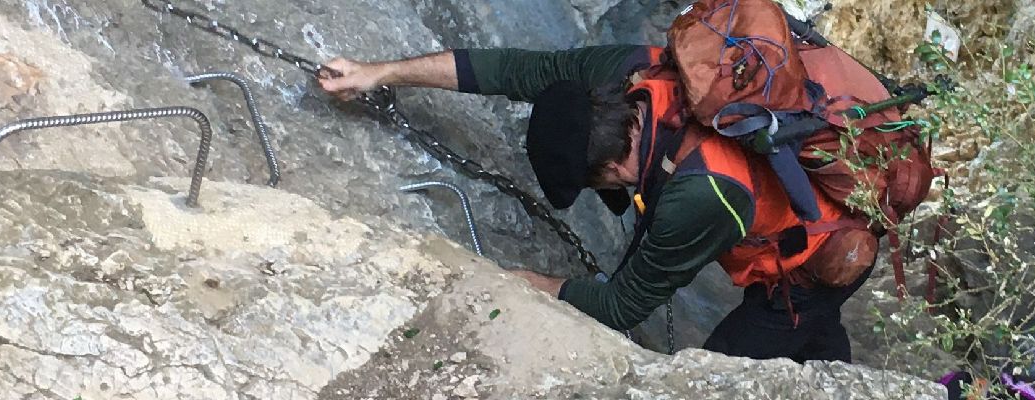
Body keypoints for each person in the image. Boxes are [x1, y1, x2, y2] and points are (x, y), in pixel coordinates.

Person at [316, 45, 876, 362]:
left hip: (817, 255)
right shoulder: (621, 75)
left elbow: (619, 307)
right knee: (820, 344)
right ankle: (831, 363)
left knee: (725, 365)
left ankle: (819, 353)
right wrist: (380, 72)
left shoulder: (699, 195)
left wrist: (524, 282)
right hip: (761, 198)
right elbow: (507, 72)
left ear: (611, 170)